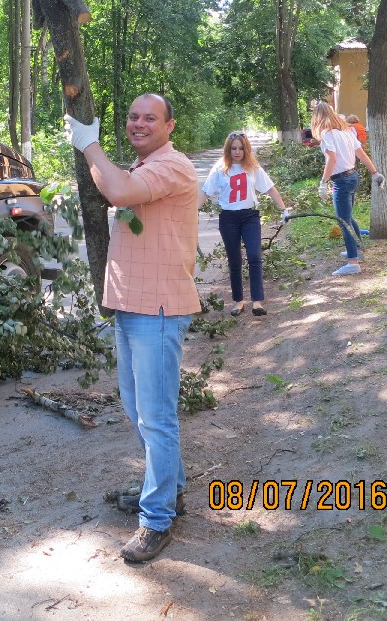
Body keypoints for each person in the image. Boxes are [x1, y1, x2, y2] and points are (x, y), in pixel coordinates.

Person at [64, 94, 199, 564]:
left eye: (150, 118)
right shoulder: (143, 168)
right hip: (131, 307)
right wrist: (94, 152)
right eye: (133, 116)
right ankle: (170, 489)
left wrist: (87, 144)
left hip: (157, 310)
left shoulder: (173, 166)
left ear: (170, 125)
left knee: (156, 418)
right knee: (137, 408)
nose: (139, 123)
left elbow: (117, 192)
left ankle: (157, 518)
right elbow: (117, 186)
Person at [199, 131, 290, 317]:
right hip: (228, 219)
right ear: (228, 149)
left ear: (246, 149)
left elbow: (270, 188)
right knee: (235, 260)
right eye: (233, 148)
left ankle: (257, 301)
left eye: (241, 148)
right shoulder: (220, 168)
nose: (237, 152)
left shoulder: (253, 167)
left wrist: (283, 209)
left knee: (254, 256)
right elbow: (206, 191)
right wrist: (191, 211)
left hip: (250, 217)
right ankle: (238, 301)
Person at [311, 102, 384, 276]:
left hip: (341, 181)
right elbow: (361, 154)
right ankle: (357, 250)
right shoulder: (347, 131)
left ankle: (353, 262)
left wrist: (323, 182)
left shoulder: (326, 134)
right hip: (353, 177)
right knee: (348, 217)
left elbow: (332, 160)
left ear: (317, 118)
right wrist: (375, 173)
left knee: (343, 221)